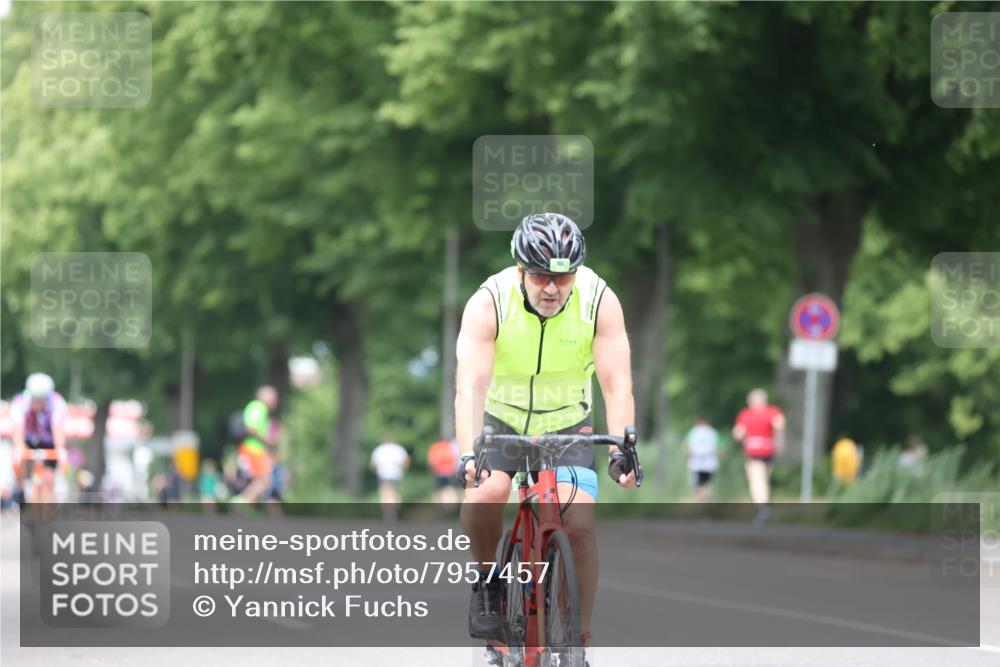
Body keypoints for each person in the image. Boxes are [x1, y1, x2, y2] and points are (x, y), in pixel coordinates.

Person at [455, 213, 640, 657]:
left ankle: (575, 643)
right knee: (485, 495)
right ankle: (488, 584)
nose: (553, 288)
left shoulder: (599, 299)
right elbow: (471, 385)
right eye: (540, 276)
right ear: (520, 269)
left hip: (567, 423)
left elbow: (616, 382)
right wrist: (468, 453)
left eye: (563, 276)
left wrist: (622, 448)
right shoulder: (489, 302)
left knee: (579, 525)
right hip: (502, 420)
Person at [10, 373, 68, 505]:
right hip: (28, 439)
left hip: (48, 440)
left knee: (49, 478)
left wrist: (61, 450)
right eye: (36, 399)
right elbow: (18, 430)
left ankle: (49, 509)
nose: (38, 403)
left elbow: (58, 429)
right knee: (17, 458)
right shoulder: (20, 402)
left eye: (42, 399)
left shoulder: (57, 403)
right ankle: (21, 488)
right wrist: (19, 449)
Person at [732, 388, 785, 524]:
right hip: (769, 450)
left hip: (754, 452)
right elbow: (780, 425)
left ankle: (762, 509)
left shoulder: (746, 415)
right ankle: (764, 506)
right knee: (765, 480)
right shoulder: (772, 412)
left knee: (757, 481)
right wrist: (779, 442)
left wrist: (743, 439)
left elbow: (738, 433)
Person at [234, 385, 279, 504]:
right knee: (264, 480)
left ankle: (247, 504)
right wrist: (267, 440)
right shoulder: (259, 407)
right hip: (253, 449)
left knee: (260, 481)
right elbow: (251, 428)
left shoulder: (256, 407)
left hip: (253, 449)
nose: (275, 403)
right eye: (274, 399)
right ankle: (241, 501)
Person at [370, 435, 410, 521]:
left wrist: (376, 471)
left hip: (383, 473)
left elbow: (374, 464)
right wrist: (403, 470)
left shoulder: (379, 449)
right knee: (395, 492)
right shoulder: (398, 449)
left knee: (385, 493)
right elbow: (406, 461)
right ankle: (395, 508)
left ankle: (388, 512)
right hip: (397, 473)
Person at [683, 415, 720, 502]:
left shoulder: (693, 432)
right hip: (709, 463)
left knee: (698, 486)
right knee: (706, 485)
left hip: (696, 463)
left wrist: (687, 457)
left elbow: (686, 446)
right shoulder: (712, 432)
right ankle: (705, 502)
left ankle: (702, 503)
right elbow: (720, 449)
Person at [427, 437, 460, 506]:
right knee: (450, 488)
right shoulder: (448, 446)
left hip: (440, 472)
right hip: (450, 471)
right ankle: (452, 504)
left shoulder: (435, 447)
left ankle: (448, 505)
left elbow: (432, 461)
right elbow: (454, 457)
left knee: (444, 489)